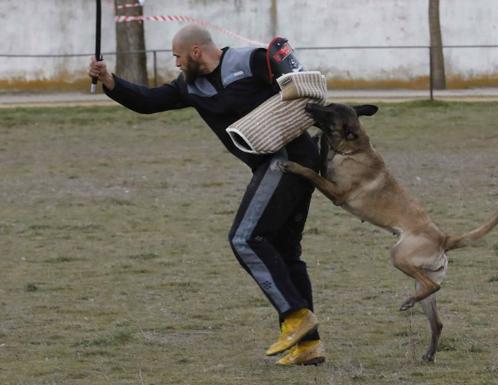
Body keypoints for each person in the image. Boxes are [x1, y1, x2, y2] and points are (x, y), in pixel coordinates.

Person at [89, 25, 324, 366]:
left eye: (177, 57)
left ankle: (295, 318)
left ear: (196, 52)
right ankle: (308, 347)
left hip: (288, 159)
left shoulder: (253, 60)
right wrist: (109, 79)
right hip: (277, 165)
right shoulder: (190, 86)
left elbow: (302, 89)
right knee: (285, 252)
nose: (176, 64)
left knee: (245, 239)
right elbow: (148, 101)